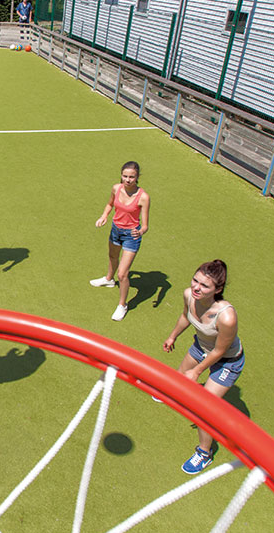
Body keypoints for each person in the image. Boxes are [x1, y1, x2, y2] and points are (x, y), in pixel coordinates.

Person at [162, 260, 245, 474]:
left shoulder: (226, 316)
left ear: (218, 290)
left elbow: (219, 351)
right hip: (201, 346)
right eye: (195, 280)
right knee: (179, 380)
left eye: (205, 286)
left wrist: (196, 371)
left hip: (227, 361)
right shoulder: (189, 295)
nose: (197, 287)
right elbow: (184, 316)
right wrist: (172, 337)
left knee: (204, 408)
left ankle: (204, 453)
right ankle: (189, 393)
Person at [90, 161, 150, 321]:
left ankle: (122, 305)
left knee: (123, 274)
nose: (128, 180)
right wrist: (104, 216)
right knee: (112, 257)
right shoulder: (116, 188)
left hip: (132, 236)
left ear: (137, 177)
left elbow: (145, 225)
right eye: (125, 176)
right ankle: (109, 279)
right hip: (115, 230)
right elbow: (110, 204)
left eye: (132, 177)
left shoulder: (143, 197)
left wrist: (140, 231)